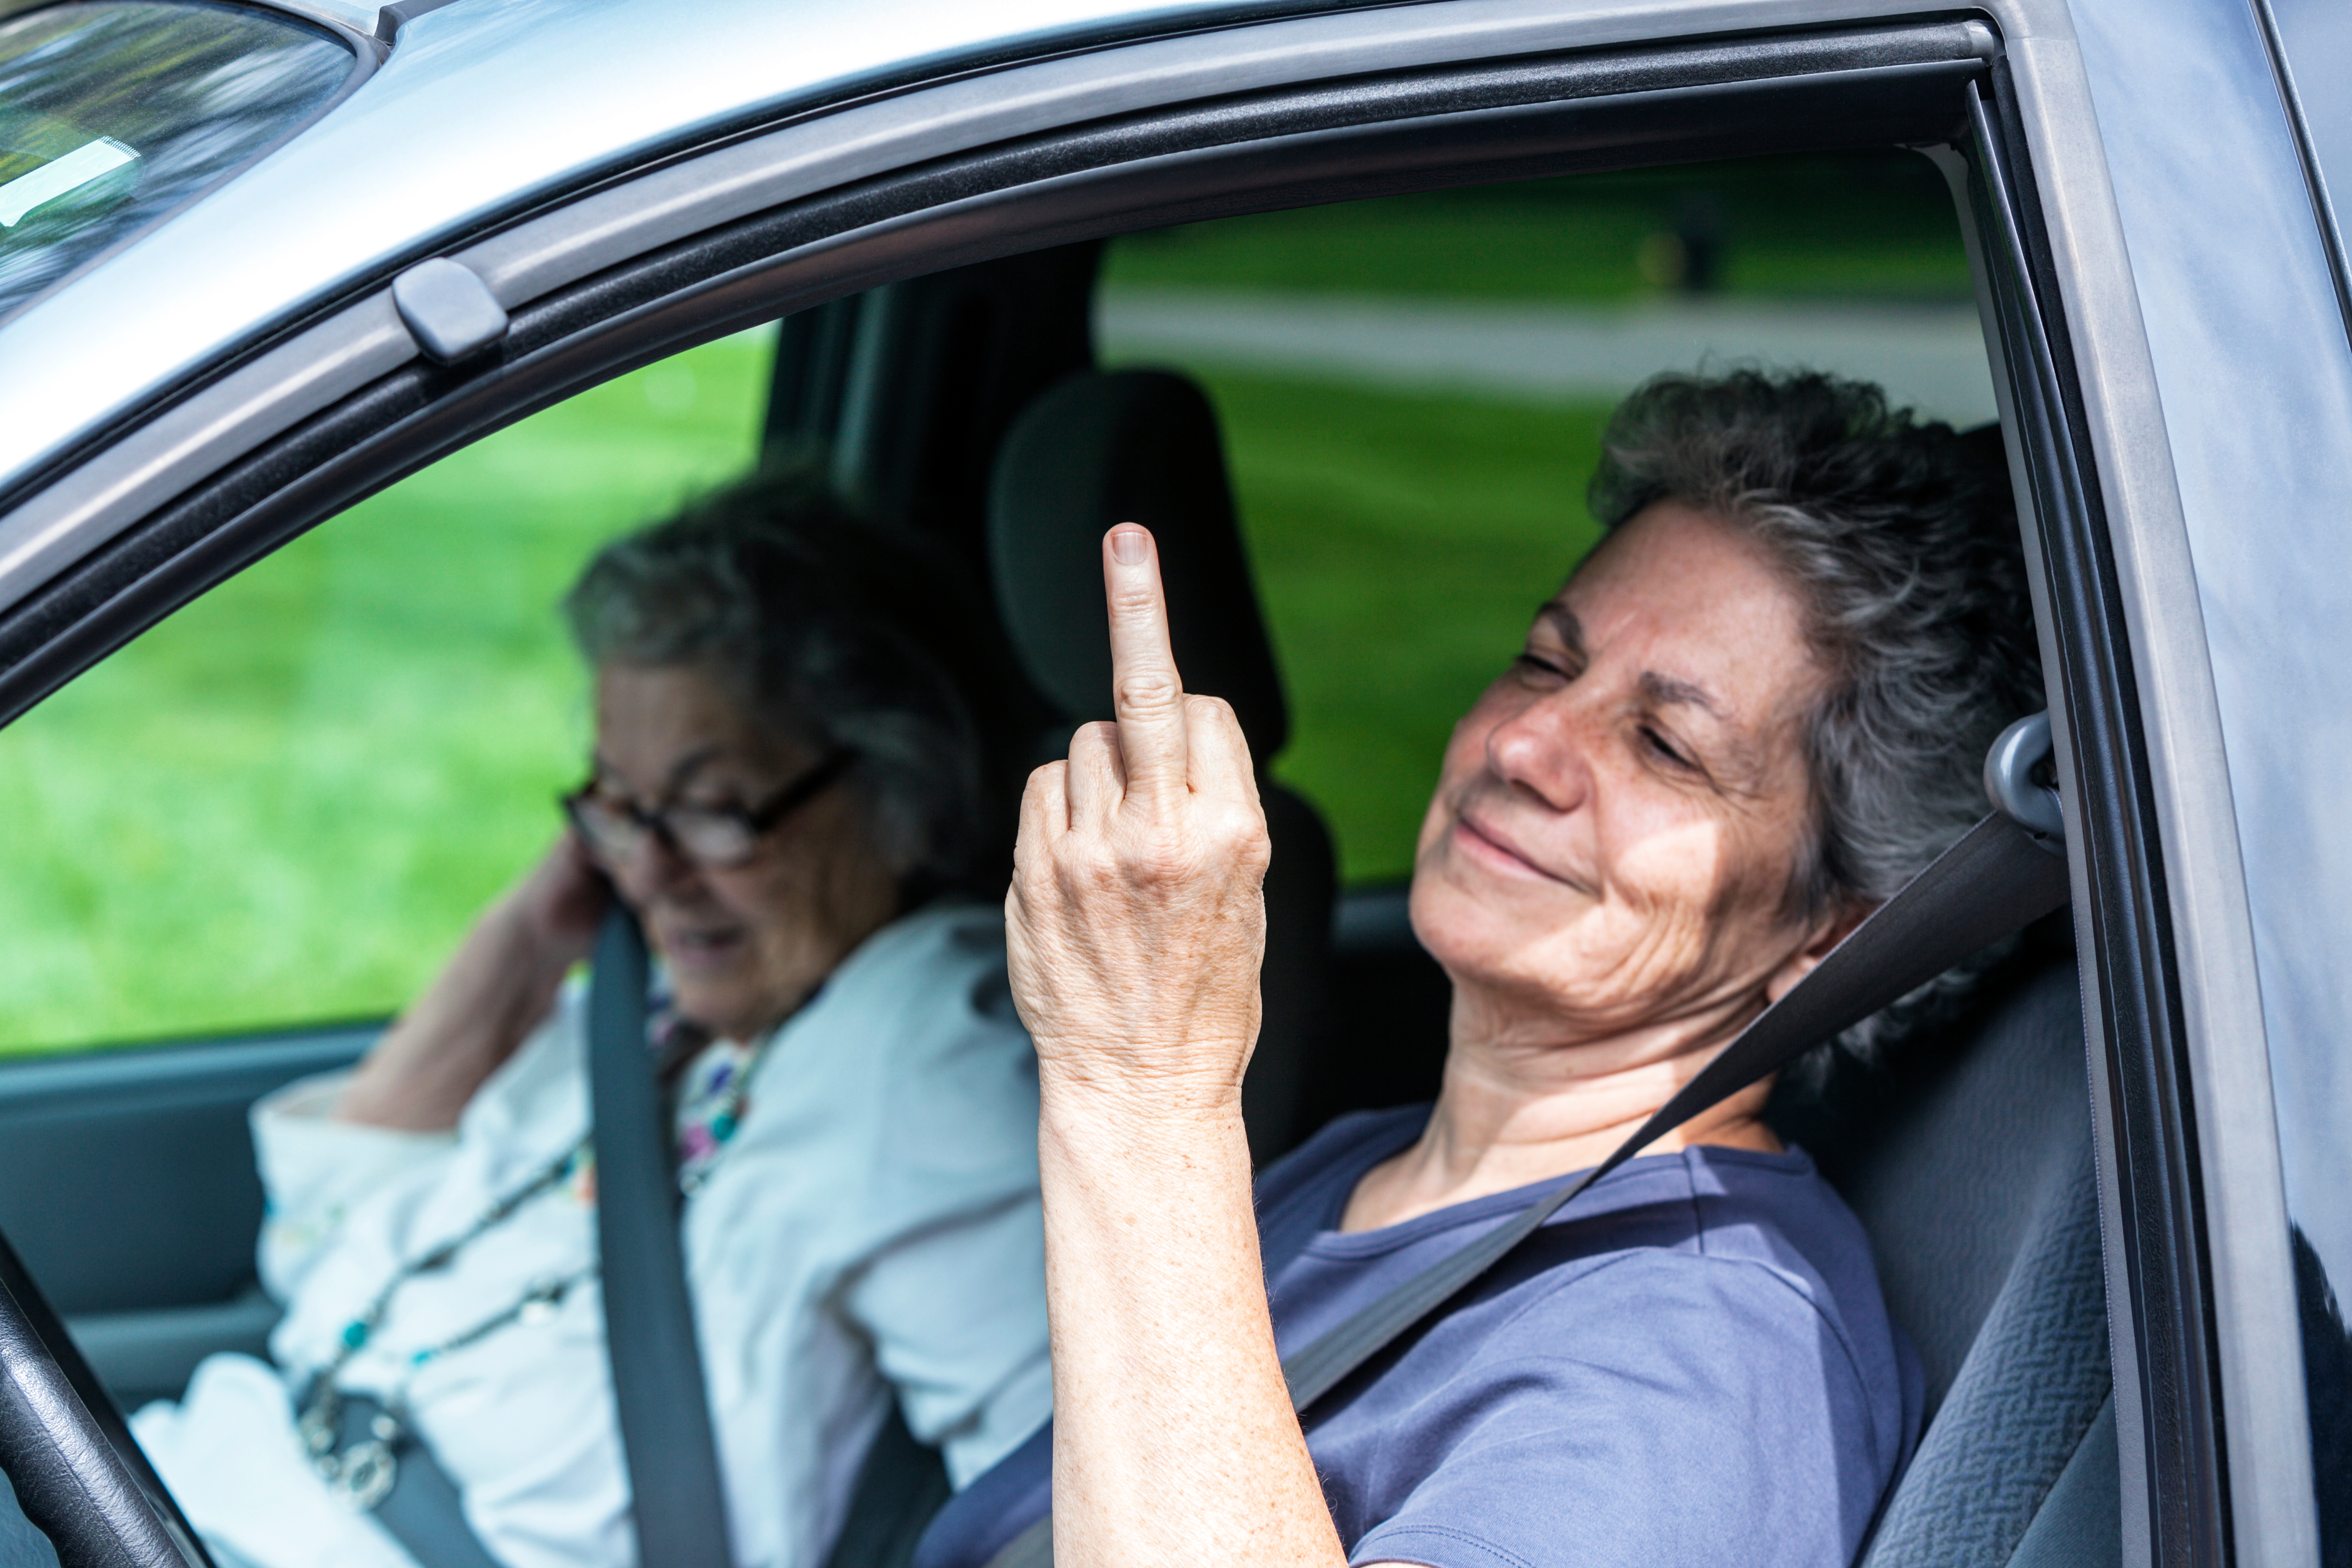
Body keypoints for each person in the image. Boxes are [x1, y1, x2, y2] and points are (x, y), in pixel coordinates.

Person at [918, 370, 2041, 1568]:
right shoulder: (1371, 1167)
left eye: (1666, 745)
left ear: (1836, 931)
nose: (1524, 741)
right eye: (1546, 663)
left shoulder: (1697, 1367)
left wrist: (1141, 1090)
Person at [132, 471, 1053, 1568]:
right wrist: (528, 938)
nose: (650, 873)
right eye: (621, 804)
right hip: (192, 1485)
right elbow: (318, 1238)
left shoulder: (923, 1045)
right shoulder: (664, 1009)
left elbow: (1071, 1492)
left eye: (713, 808)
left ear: (902, 790)